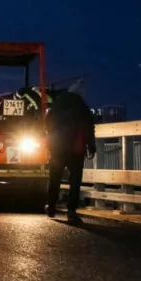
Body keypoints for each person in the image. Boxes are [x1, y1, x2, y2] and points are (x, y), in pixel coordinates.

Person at [45, 85, 96, 224]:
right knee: (75, 181)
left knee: (55, 178)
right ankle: (71, 211)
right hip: (76, 149)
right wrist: (91, 146)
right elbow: (88, 127)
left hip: (57, 148)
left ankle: (51, 207)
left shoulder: (57, 105)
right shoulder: (82, 106)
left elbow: (47, 124)